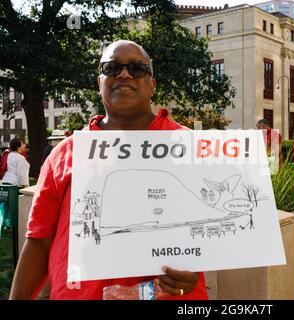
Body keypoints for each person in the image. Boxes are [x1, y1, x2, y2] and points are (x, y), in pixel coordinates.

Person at [9, 40, 207, 300]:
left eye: (137, 69)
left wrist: (197, 266)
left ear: (152, 85)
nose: (124, 74)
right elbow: (39, 240)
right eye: (112, 68)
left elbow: (218, 234)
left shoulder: (193, 148)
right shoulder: (64, 155)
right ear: (99, 81)